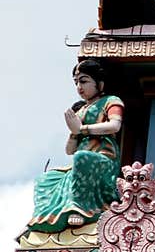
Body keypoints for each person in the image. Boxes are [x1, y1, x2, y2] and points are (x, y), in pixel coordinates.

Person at [28, 59, 124, 233]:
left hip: (103, 158)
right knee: (46, 178)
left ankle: (80, 208)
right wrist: (74, 132)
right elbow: (69, 150)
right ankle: (45, 216)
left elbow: (115, 126)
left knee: (81, 158)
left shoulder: (111, 101)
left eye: (84, 81)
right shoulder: (79, 110)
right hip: (81, 160)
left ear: (99, 83)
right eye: (76, 82)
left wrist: (83, 129)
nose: (79, 86)